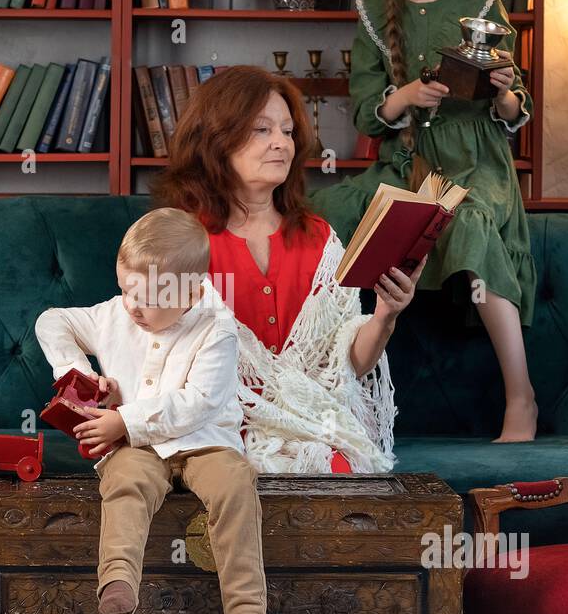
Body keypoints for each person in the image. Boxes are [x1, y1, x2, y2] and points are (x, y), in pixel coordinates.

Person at [316, 0, 538, 441]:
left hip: (474, 163)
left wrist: (506, 91)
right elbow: (366, 112)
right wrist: (407, 96)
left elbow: (517, 112)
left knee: (466, 220)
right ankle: (315, 387)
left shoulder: (485, 4)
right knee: (322, 220)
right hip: (402, 165)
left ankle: (521, 396)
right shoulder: (372, 9)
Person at [34, 208, 278, 614]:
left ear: (190, 292)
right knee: (124, 479)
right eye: (127, 291)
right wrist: (79, 372)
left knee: (236, 485)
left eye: (145, 298)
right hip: (140, 450)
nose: (133, 307)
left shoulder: (216, 327)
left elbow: (198, 402)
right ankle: (119, 579)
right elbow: (52, 322)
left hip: (205, 441)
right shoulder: (116, 314)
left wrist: (125, 420)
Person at [152, 65, 422, 476]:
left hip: (312, 427)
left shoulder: (319, 238)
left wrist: (386, 314)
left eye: (287, 131)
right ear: (216, 140)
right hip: (213, 428)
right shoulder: (178, 239)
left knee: (337, 466)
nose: (281, 143)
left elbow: (345, 365)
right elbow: (156, 358)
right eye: (261, 130)